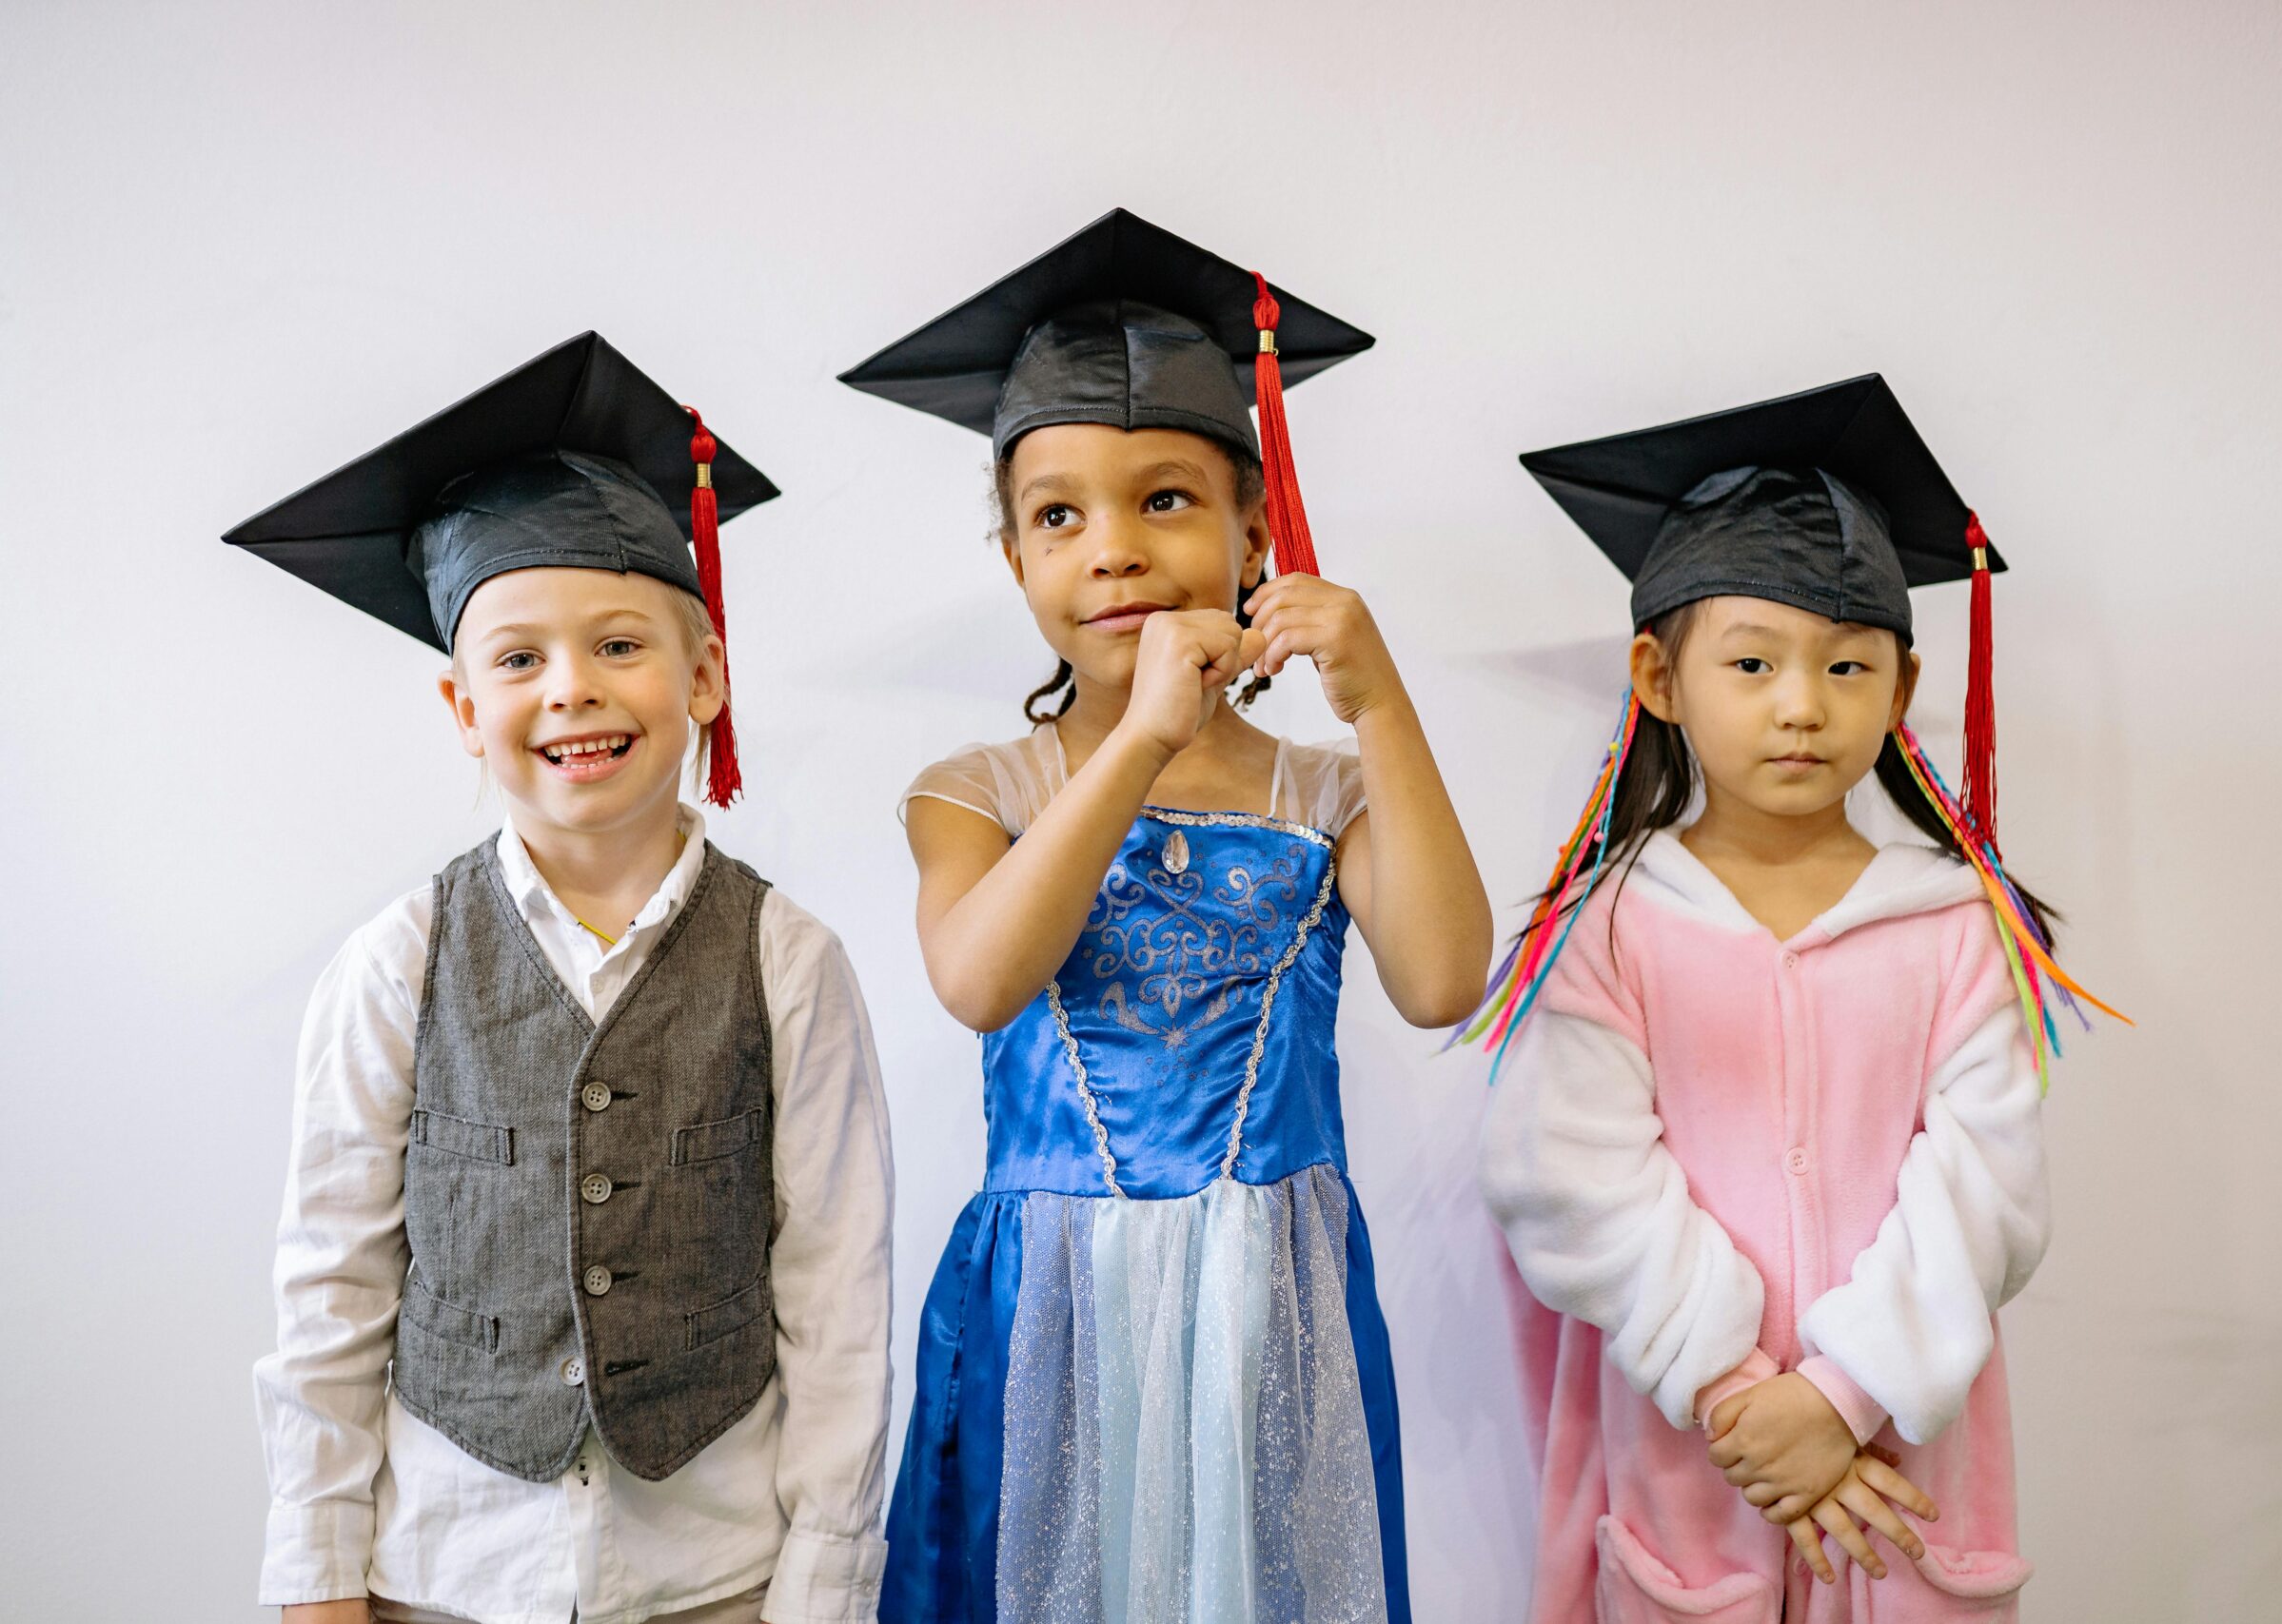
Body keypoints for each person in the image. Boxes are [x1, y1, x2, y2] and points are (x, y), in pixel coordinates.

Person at [840, 209, 1492, 1623]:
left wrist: (1379, 700)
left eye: (1168, 501)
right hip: (1051, 1311)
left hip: (1273, 1314)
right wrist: (1140, 737)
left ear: (1257, 533)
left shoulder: (1323, 793)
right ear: (1016, 564)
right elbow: (980, 979)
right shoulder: (979, 790)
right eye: (1059, 516)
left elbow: (1444, 979)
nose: (1115, 551)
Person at [232, 333, 895, 1624]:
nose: (573, 689)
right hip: (447, 1570)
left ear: (706, 675)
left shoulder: (789, 960)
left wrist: (824, 1582)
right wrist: (316, 1576)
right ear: (463, 710)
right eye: (519, 659)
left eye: (620, 644)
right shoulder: (397, 962)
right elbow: (333, 1285)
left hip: (717, 1575)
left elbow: (837, 1295)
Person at [1470, 375, 2126, 1622]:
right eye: (1753, 661)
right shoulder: (1610, 925)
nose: (1802, 704)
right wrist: (1739, 1397)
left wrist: (1840, 1398)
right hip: (1694, 1450)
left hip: (1898, 1454)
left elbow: (1986, 1189)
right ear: (1658, 678)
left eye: (1846, 664)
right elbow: (1566, 1174)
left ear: (1901, 686)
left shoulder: (1953, 928)